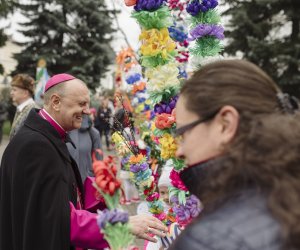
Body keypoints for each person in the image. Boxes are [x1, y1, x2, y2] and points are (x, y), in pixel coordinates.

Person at [0, 73, 168, 250]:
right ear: (56, 102)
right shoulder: (36, 146)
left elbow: (50, 198)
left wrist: (97, 193)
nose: (88, 111)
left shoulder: (43, 137)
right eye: (81, 104)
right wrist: (121, 224)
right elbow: (58, 219)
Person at [170, 59, 300, 250]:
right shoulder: (285, 195)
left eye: (183, 133)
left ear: (225, 125)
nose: (179, 151)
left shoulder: (210, 239)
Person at [67, 114, 102, 183]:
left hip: (87, 183)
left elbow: (98, 162)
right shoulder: (60, 130)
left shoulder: (93, 133)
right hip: (66, 185)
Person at [9, 74, 37, 140]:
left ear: (25, 93)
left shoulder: (33, 111)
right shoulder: (22, 108)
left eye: (14, 90)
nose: (11, 93)